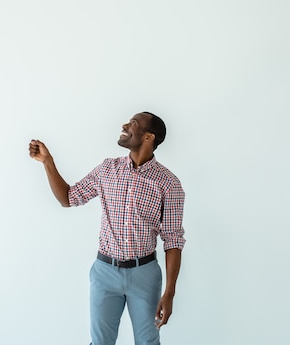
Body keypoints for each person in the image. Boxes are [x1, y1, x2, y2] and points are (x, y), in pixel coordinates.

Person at [28, 111, 186, 345]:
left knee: (148, 342)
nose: (125, 124)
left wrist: (170, 292)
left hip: (144, 275)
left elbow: (173, 239)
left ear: (148, 137)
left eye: (133, 122)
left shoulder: (168, 183)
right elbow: (68, 198)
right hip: (105, 272)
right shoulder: (107, 170)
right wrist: (48, 162)